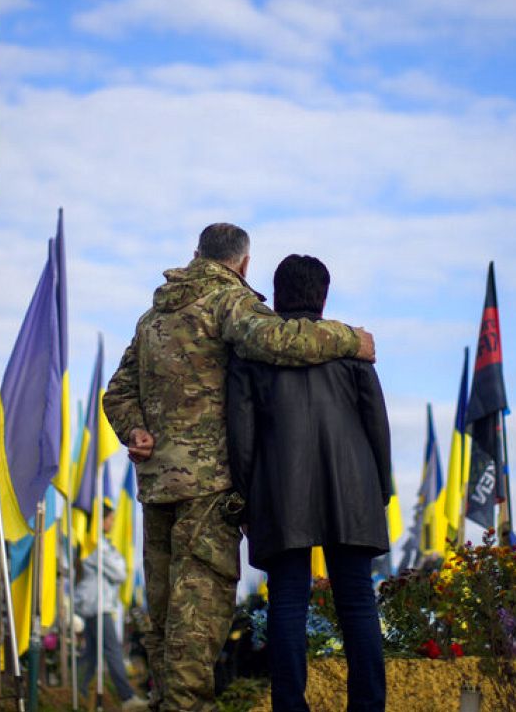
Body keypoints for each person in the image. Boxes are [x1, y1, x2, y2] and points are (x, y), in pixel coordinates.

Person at [104, 223, 376, 711]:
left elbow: (117, 391)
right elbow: (278, 339)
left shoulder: (152, 318)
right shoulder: (227, 302)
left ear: (195, 254)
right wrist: (349, 338)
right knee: (198, 615)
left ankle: (169, 703)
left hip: (158, 484)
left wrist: (135, 431)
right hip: (208, 486)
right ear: (244, 264)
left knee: (164, 616)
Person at [226, 254, 391, 712]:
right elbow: (376, 422)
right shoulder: (352, 347)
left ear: (277, 295)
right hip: (353, 488)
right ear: (324, 295)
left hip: (279, 493)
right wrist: (380, 487)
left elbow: (241, 437)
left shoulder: (251, 353)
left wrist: (247, 495)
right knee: (358, 602)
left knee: (287, 605)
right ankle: (368, 706)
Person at [75, 500, 147, 710]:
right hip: (97, 606)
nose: (113, 522)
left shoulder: (100, 543)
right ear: (100, 519)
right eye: (110, 518)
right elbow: (119, 572)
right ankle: (127, 698)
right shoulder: (94, 544)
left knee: (92, 653)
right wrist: (119, 565)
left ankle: (76, 689)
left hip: (96, 605)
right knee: (113, 650)